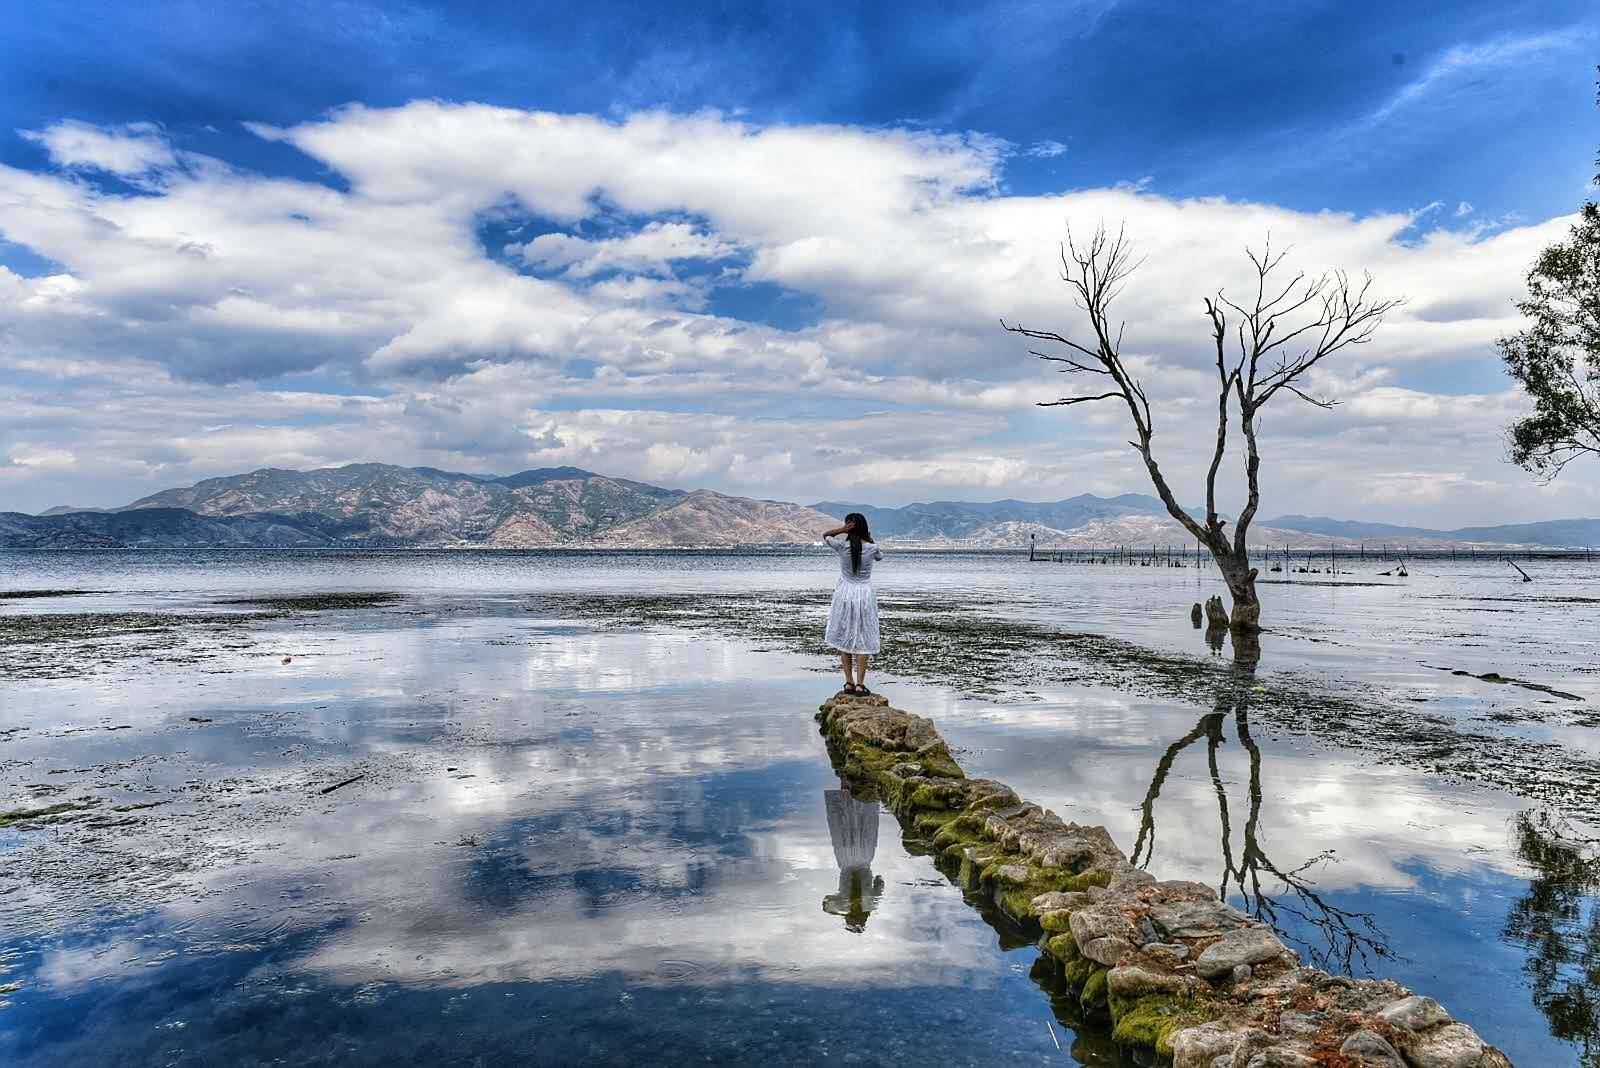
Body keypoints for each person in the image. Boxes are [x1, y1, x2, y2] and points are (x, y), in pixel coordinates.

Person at [821, 512, 883, 695]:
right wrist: (867, 536)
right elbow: (880, 556)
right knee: (863, 637)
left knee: (845, 636)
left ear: (848, 527)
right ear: (864, 527)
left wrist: (841, 530)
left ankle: (848, 682)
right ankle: (860, 684)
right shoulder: (872, 548)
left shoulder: (842, 546)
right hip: (864, 594)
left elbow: (825, 536)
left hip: (844, 594)